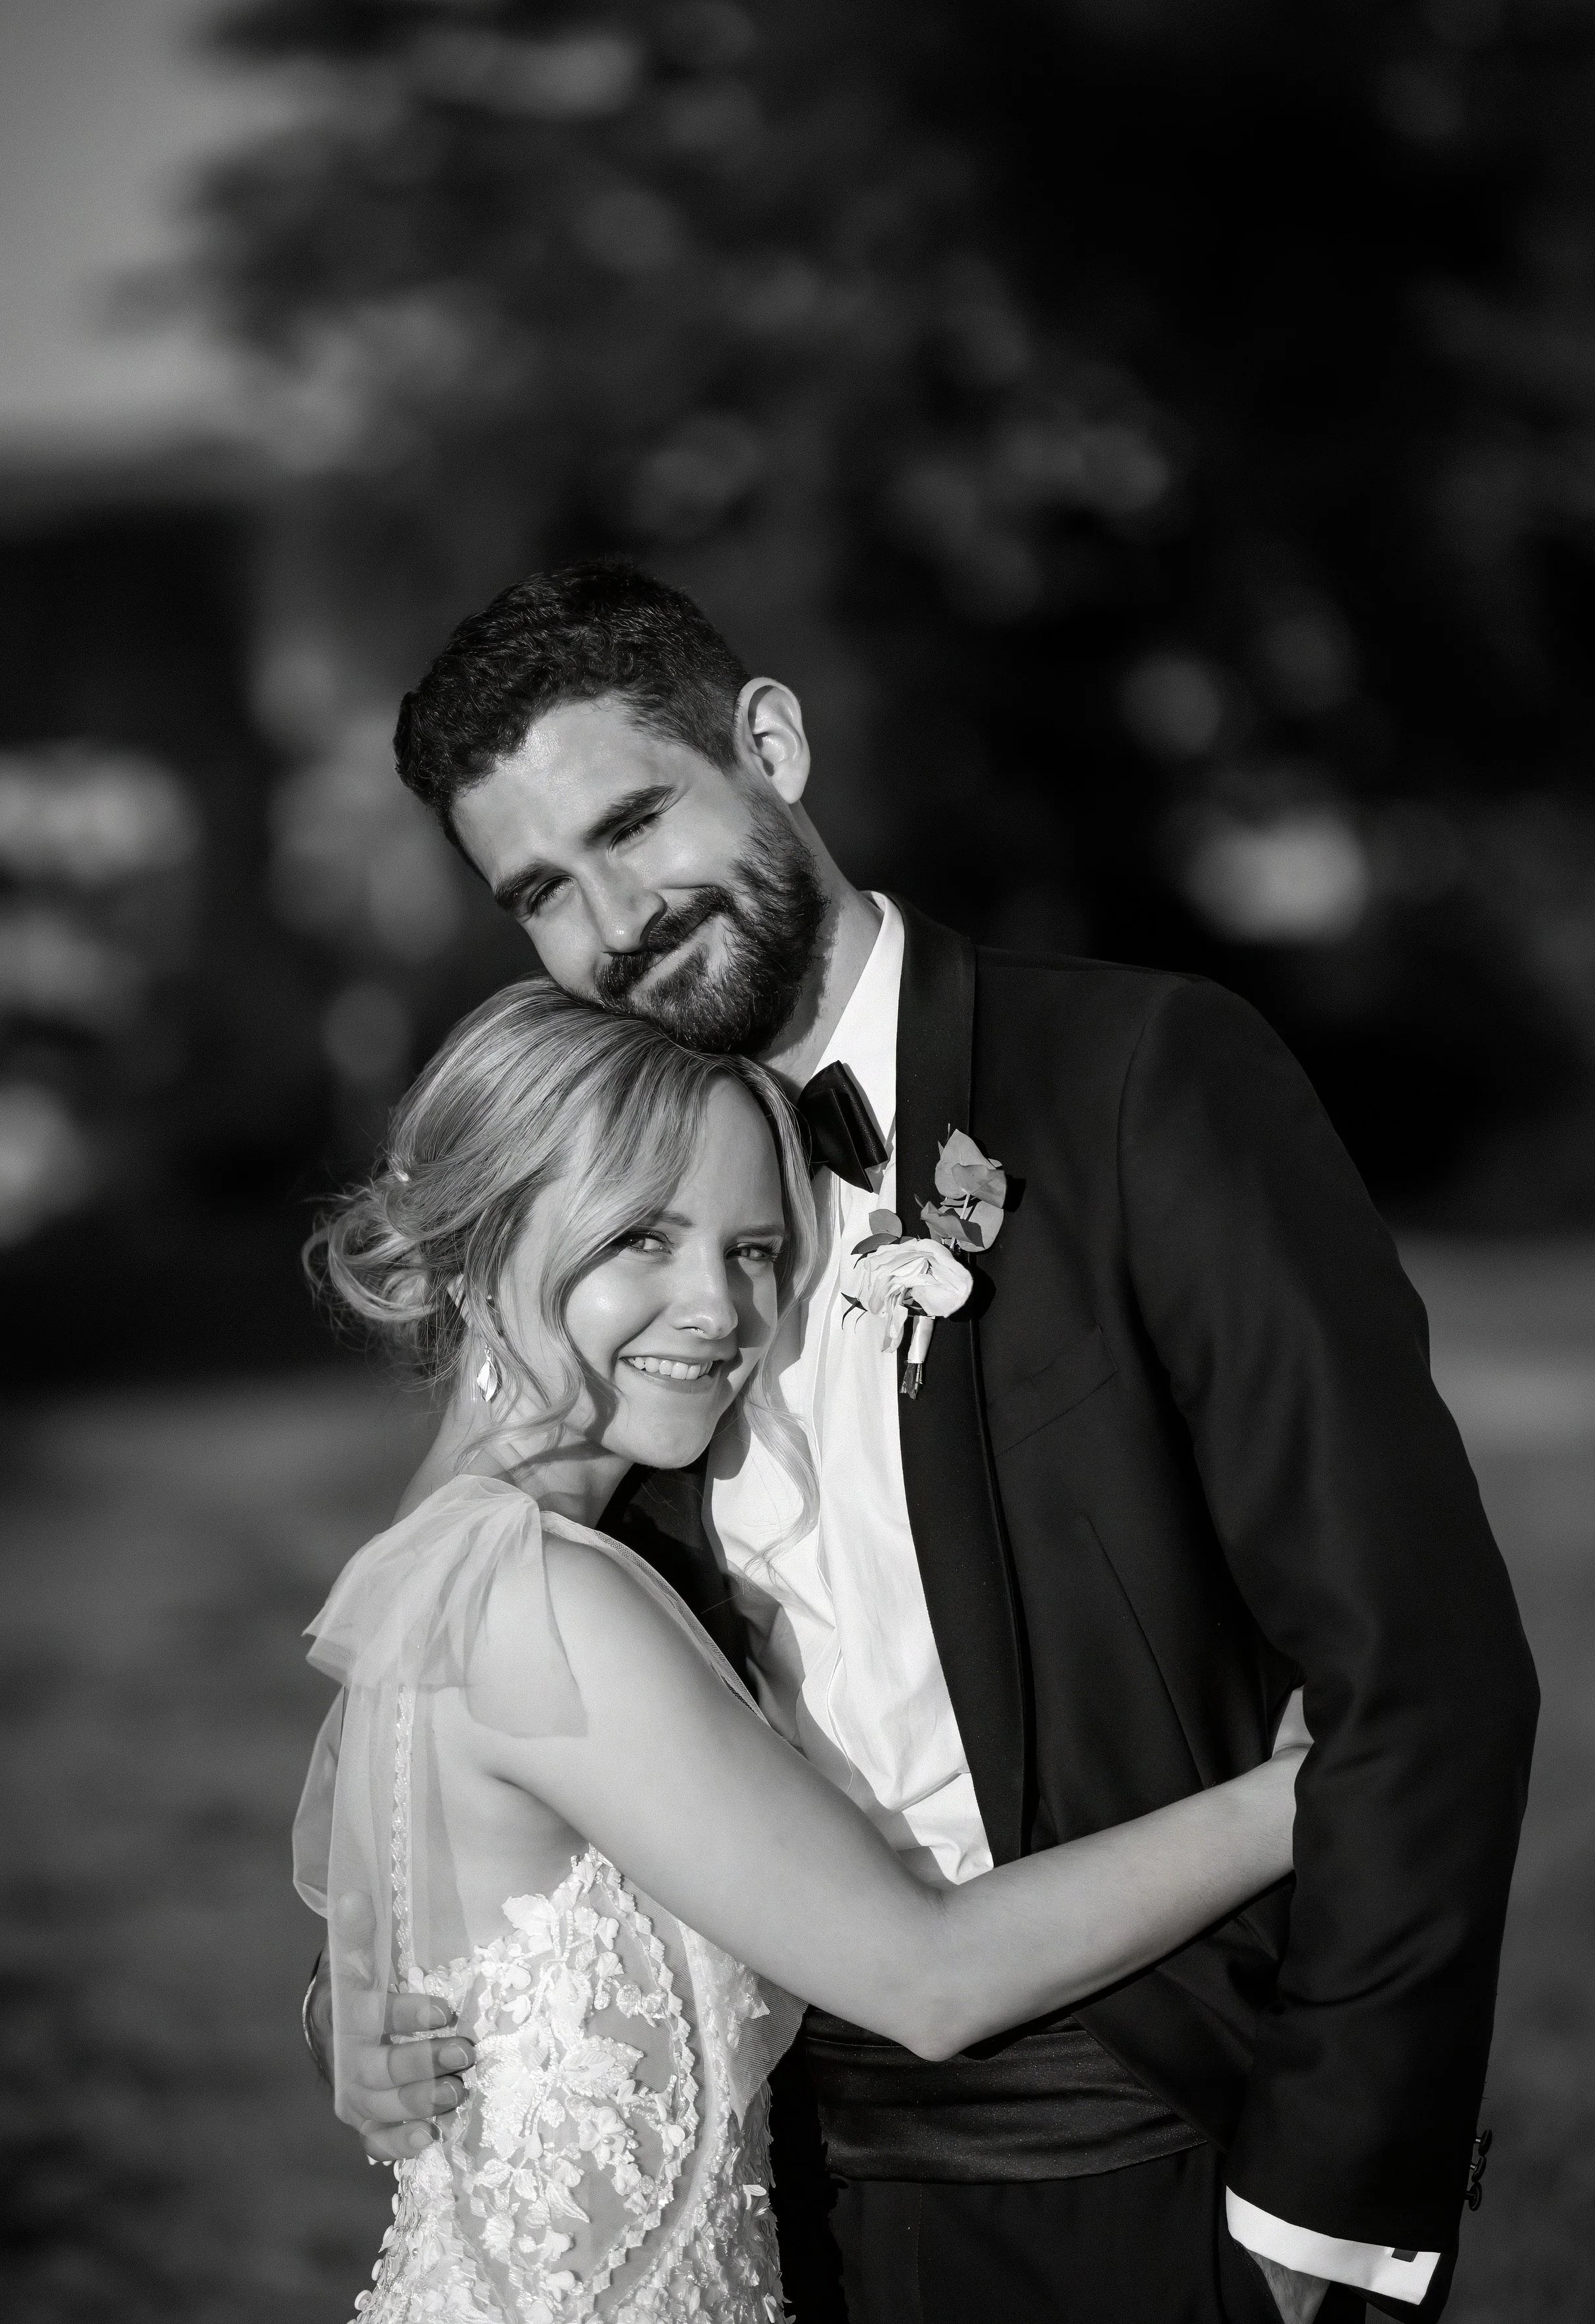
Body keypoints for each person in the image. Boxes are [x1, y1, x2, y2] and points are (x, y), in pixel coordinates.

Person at [310, 561, 1538, 2323]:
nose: (614, 923)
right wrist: (376, 1991)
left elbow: (1423, 1672)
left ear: (771, 743)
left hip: (1154, 2163)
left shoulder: (1136, 1082)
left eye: (634, 822)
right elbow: (433, 1645)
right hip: (768, 2188)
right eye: (541, 894)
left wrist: (1323, 2212)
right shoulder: (592, 1245)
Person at [298, 982, 1311, 2323]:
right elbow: (924, 1977)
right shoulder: (537, 1594)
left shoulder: (427, 1560)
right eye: (641, 1237)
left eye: (756, 1248)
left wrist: (345, 2019)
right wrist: (1301, 1797)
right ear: (476, 1244)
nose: (717, 1307)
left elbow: (433, 1940)